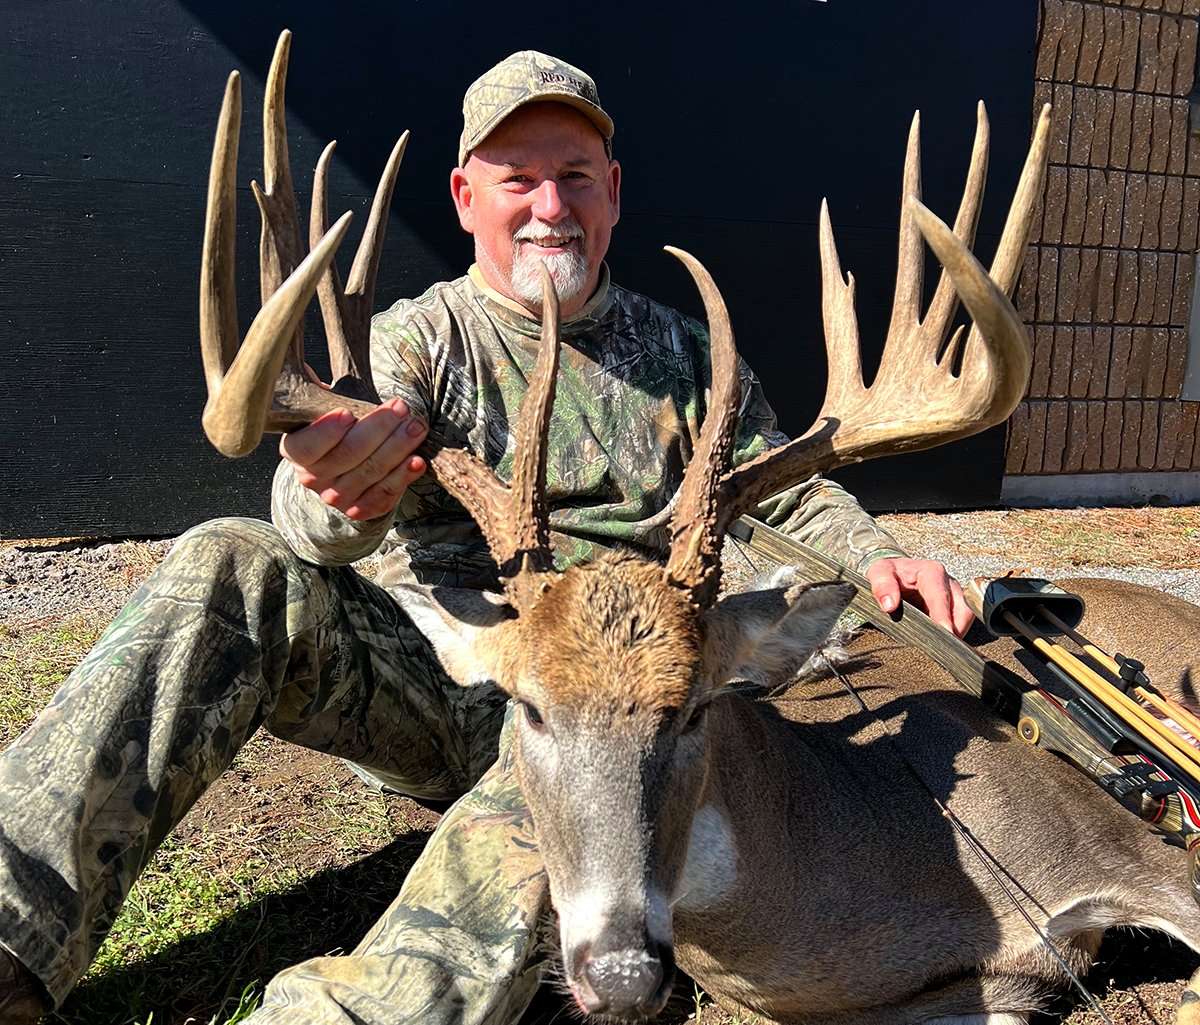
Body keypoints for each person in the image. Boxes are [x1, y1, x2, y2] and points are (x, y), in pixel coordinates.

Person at [0, 49, 974, 1024]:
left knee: (573, 733)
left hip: (627, 710)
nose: (550, 205)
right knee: (232, 557)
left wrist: (875, 554)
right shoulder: (414, 343)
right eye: (518, 179)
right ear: (467, 197)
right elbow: (307, 510)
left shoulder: (684, 356)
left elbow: (792, 500)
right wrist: (337, 499)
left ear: (612, 191)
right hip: (445, 668)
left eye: (574, 176)